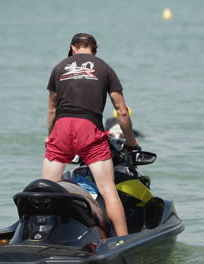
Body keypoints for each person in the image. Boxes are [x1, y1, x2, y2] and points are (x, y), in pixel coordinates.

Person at [42, 33, 139, 237]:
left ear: (73, 48)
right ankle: (123, 241)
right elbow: (121, 110)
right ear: (94, 49)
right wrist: (131, 142)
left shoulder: (59, 68)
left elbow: (52, 110)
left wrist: (51, 137)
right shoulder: (104, 67)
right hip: (89, 129)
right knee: (107, 189)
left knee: (47, 191)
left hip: (62, 128)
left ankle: (43, 238)